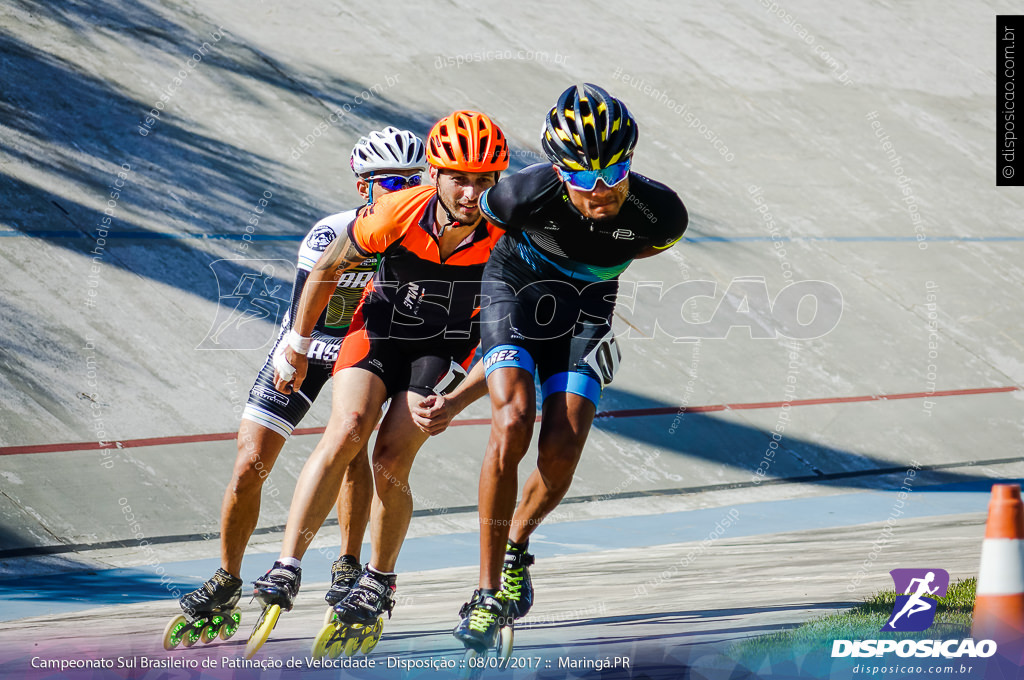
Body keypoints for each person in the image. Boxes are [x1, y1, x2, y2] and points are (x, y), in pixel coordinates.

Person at [250, 111, 508, 644]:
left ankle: (379, 578)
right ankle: (287, 562)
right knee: (346, 429)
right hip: (379, 330)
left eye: (484, 181)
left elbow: (507, 340)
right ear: (433, 175)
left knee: (390, 457)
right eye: (460, 177)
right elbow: (326, 270)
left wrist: (457, 400)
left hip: (444, 350)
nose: (471, 192)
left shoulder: (507, 235)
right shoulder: (395, 212)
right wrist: (296, 346)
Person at [452, 83, 689, 651]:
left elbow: (647, 246)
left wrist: (595, 270)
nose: (602, 189)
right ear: (559, 172)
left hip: (586, 311)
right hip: (514, 289)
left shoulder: (662, 213)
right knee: (512, 423)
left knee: (563, 446)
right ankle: (485, 593)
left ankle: (516, 547)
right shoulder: (516, 197)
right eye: (584, 177)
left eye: (614, 172)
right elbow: (460, 224)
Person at [171, 127, 427, 640]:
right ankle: (227, 577)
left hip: (369, 349)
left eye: (409, 180)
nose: (400, 191)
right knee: (249, 463)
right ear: (364, 188)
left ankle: (349, 565)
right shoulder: (332, 233)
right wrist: (296, 353)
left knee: (352, 444)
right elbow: (307, 307)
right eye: (388, 182)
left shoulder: (423, 236)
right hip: (311, 345)